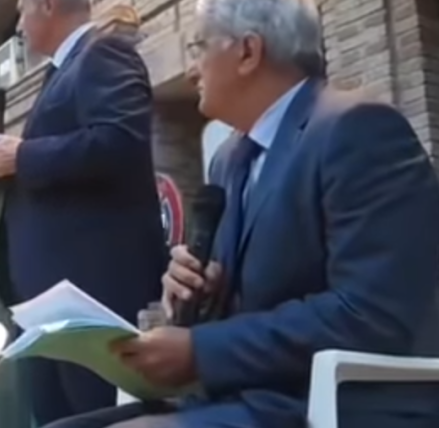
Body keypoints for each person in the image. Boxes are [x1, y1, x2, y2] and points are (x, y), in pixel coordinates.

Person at [43, 1, 439, 428]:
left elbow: (368, 314)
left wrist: (200, 350)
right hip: (240, 397)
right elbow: (241, 308)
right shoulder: (228, 159)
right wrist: (189, 297)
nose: (191, 70)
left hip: (331, 403)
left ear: (248, 52)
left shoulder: (358, 129)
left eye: (198, 47)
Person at [0, 0, 166, 424]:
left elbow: (120, 141)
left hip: (92, 300)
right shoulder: (62, 70)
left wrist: (23, 156)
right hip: (51, 308)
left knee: (97, 417)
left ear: (47, 5)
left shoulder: (104, 53)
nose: (18, 24)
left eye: (22, 9)